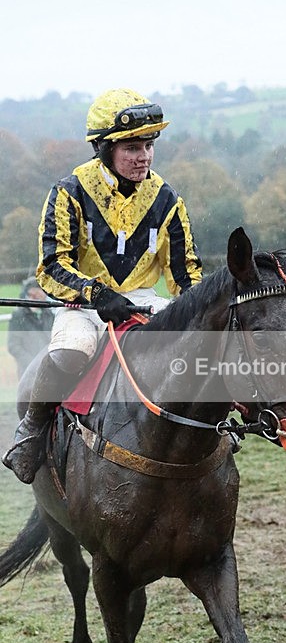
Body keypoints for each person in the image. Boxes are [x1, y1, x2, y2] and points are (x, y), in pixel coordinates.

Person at [2, 88, 202, 485]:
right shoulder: (70, 191)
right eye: (132, 148)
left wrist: (196, 314)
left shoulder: (167, 199)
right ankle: (32, 429)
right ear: (104, 149)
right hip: (84, 304)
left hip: (145, 302)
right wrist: (96, 294)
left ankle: (213, 432)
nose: (144, 156)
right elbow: (52, 266)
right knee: (72, 351)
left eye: (148, 146)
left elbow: (186, 275)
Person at [7, 277, 54, 379]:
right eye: (32, 295)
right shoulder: (18, 316)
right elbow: (13, 346)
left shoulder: (49, 315)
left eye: (38, 296)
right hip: (27, 372)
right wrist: (33, 362)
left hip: (49, 369)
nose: (34, 299)